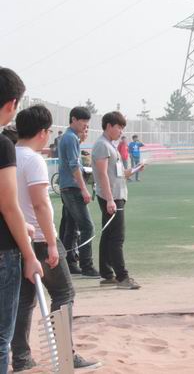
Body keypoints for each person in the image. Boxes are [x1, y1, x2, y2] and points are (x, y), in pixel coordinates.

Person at [11, 105, 100, 371]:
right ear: (43, 132)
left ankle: (22, 357)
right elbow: (39, 204)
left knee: (25, 300)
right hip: (39, 237)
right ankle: (64, 354)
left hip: (19, 238)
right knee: (63, 293)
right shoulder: (32, 159)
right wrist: (51, 242)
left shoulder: (9, 156)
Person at [0, 67, 43, 374]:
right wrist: (29, 255)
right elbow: (8, 205)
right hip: (4, 252)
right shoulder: (3, 145)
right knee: (2, 338)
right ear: (12, 104)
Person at [93, 111, 142, 289]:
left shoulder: (110, 145)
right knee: (117, 237)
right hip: (112, 196)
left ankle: (107, 274)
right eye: (119, 127)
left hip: (116, 194)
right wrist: (109, 199)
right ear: (109, 126)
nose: (121, 131)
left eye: (122, 127)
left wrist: (135, 170)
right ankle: (122, 277)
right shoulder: (102, 145)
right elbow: (102, 174)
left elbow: (117, 173)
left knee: (108, 235)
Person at [57, 106, 99, 277]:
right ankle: (87, 265)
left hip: (66, 187)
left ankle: (69, 263)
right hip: (73, 188)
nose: (85, 126)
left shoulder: (67, 137)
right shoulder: (71, 138)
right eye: (83, 122)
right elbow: (74, 166)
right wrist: (84, 189)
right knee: (87, 227)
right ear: (73, 119)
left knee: (70, 227)